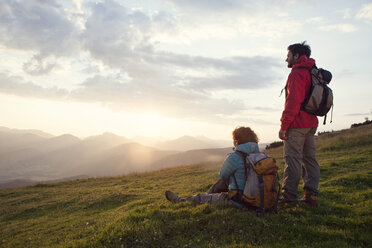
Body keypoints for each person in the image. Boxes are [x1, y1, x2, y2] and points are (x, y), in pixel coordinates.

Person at [165, 126, 260, 207]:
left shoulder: (235, 157)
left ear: (236, 141)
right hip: (259, 198)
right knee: (223, 182)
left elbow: (222, 174)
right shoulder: (261, 156)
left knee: (201, 197)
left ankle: (181, 200)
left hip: (240, 200)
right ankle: (208, 195)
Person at [278, 41, 320, 205]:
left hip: (297, 123)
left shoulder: (297, 74)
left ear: (296, 56)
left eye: (288, 55)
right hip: (311, 123)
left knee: (293, 160)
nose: (286, 59)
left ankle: (289, 197)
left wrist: (284, 126)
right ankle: (311, 196)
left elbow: (293, 102)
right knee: (310, 159)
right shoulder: (313, 71)